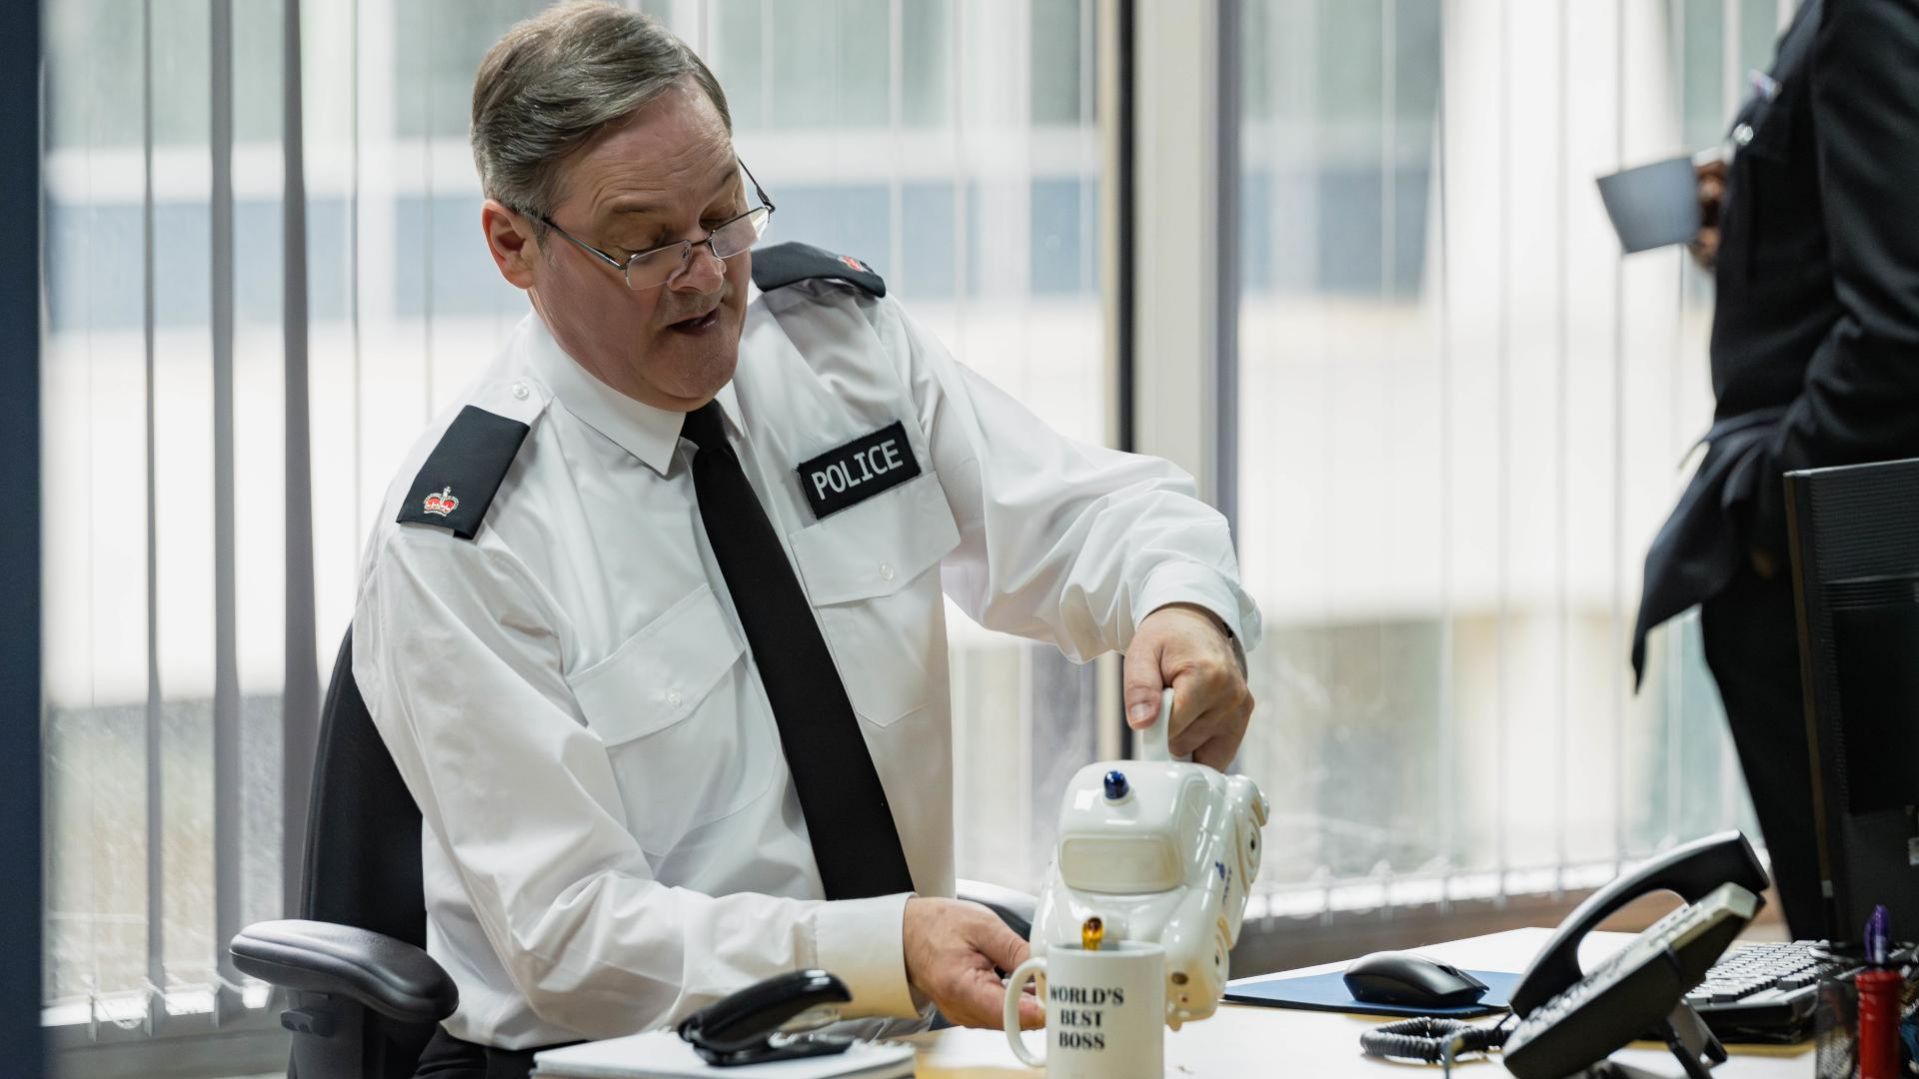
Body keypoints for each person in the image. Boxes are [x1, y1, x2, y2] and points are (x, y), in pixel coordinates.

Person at [353, 4, 1261, 1075]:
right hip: (619, 1062)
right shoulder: (466, 541)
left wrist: (1179, 603)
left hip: (896, 1047)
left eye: (722, 214)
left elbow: (1082, 512)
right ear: (513, 244)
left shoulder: (836, 348)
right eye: (644, 242)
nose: (705, 273)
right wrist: (882, 948)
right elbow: (572, 935)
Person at [1633, 0, 1919, 941]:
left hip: (1836, 552)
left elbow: (1897, 327)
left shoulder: (1867, 15)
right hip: (1842, 536)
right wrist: (1760, 211)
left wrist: (1770, 515)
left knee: (1866, 958)